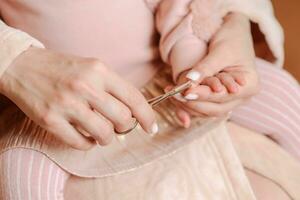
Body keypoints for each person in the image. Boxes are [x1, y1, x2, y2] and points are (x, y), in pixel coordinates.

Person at [0, 0, 299, 199]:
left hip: (164, 77)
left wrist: (193, 67)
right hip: (60, 104)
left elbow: (180, 7)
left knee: (281, 90)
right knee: (16, 168)